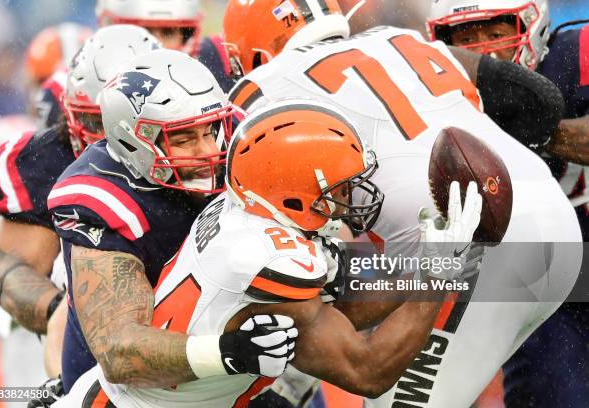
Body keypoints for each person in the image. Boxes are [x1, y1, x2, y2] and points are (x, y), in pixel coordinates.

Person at [222, 1, 582, 406]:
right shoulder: (403, 40)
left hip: (471, 242)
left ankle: (290, 385)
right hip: (556, 219)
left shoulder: (258, 92)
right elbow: (539, 100)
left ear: (251, 54)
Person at [55, 98, 485, 407]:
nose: (352, 196)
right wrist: (436, 275)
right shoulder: (265, 258)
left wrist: (428, 262)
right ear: (296, 195)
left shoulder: (248, 209)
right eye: (338, 187)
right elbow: (368, 372)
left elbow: (344, 300)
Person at [46, 48, 297, 394]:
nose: (207, 150)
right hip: (128, 394)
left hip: (220, 374)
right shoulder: (103, 197)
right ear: (133, 141)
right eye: (183, 138)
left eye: (210, 130)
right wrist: (227, 353)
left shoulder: (234, 140)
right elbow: (120, 352)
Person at [427, 1, 589, 406]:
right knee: (552, 392)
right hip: (532, 266)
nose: (484, 50)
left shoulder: (577, 52)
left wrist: (534, 127)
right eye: (466, 38)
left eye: (496, 33)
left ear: (532, 27)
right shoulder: (430, 91)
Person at [0, 25, 161, 381]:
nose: (107, 134)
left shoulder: (209, 147)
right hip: (87, 354)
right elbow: (13, 272)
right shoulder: (47, 156)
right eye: (94, 119)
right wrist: (55, 310)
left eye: (118, 120)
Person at [95, 0, 238, 92]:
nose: (155, 43)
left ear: (187, 35)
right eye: (144, 31)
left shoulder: (216, 61)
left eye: (168, 31)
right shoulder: (91, 73)